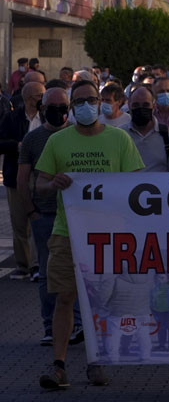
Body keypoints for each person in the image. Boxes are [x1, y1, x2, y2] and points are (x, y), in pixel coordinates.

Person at [36, 79, 145, 390]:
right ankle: (59, 365)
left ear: (101, 103)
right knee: (64, 298)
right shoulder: (57, 142)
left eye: (91, 100)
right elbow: (39, 184)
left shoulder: (119, 140)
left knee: (101, 302)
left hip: (107, 237)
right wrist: (52, 183)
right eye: (79, 101)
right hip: (66, 233)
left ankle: (97, 361)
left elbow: (136, 187)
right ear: (72, 108)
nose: (86, 105)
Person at [18, 87, 81, 346]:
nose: (58, 111)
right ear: (42, 108)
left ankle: (76, 325)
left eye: (63, 106)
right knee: (46, 273)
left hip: (76, 216)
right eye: (52, 106)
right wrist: (30, 211)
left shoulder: (77, 136)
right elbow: (23, 179)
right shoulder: (33, 139)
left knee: (77, 272)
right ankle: (49, 326)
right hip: (45, 215)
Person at [0, 80, 44, 280]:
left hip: (42, 175)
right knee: (19, 222)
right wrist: (16, 145)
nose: (42, 99)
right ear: (28, 98)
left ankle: (38, 264)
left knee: (39, 219)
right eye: (39, 96)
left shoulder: (46, 117)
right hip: (16, 176)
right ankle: (23, 264)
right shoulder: (12, 117)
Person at [124, 86, 169, 172]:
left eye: (146, 105)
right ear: (129, 106)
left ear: (154, 106)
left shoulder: (166, 135)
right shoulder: (120, 134)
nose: (141, 109)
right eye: (136, 105)